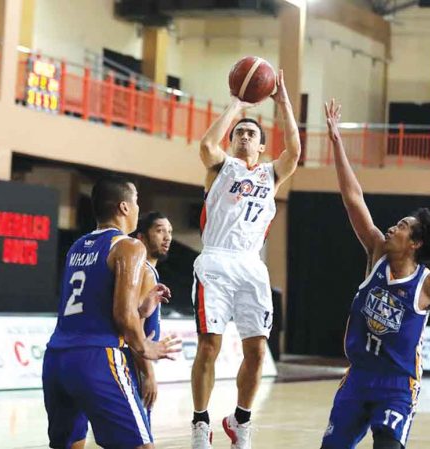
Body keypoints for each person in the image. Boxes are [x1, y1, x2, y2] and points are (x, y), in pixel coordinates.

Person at [320, 100, 430, 449]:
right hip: (358, 377)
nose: (391, 227)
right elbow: (353, 198)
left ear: (415, 243)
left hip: (398, 384)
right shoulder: (377, 252)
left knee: (387, 445)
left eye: (401, 227)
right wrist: (337, 141)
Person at [190, 69, 301, 449]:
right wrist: (236, 106)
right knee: (209, 344)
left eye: (251, 134)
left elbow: (296, 152)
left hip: (251, 266)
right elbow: (206, 145)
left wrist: (283, 101)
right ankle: (201, 423)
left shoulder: (272, 174)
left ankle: (241, 421)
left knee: (256, 350)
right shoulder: (221, 167)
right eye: (239, 132)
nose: (243, 136)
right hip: (216, 262)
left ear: (261, 146)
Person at [42, 176, 180, 449]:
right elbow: (122, 316)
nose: (139, 208)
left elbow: (92, 305)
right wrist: (145, 347)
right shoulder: (129, 246)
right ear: (124, 207)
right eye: (137, 201)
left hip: (56, 360)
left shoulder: (77, 247)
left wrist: (143, 308)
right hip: (96, 359)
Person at [130, 211, 174, 421]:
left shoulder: (145, 271)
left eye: (169, 232)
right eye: (159, 231)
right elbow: (135, 327)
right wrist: (148, 375)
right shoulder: (145, 272)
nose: (167, 237)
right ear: (141, 237)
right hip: (134, 365)